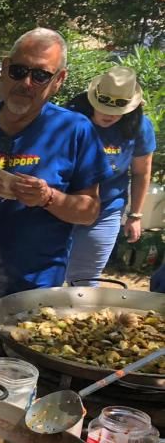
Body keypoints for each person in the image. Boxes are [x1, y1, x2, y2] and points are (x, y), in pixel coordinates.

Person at [0, 28, 110, 343]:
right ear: (5, 68)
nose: (26, 83)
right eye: (19, 71)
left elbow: (89, 211)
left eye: (40, 75)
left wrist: (48, 197)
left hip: (34, 287)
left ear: (59, 80)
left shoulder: (74, 129)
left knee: (17, 375)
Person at [64, 66, 156, 286]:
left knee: (84, 280)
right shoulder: (70, 118)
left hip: (105, 210)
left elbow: (141, 172)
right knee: (49, 275)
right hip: (60, 206)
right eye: (103, 106)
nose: (109, 114)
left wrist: (135, 215)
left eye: (118, 108)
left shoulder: (140, 127)